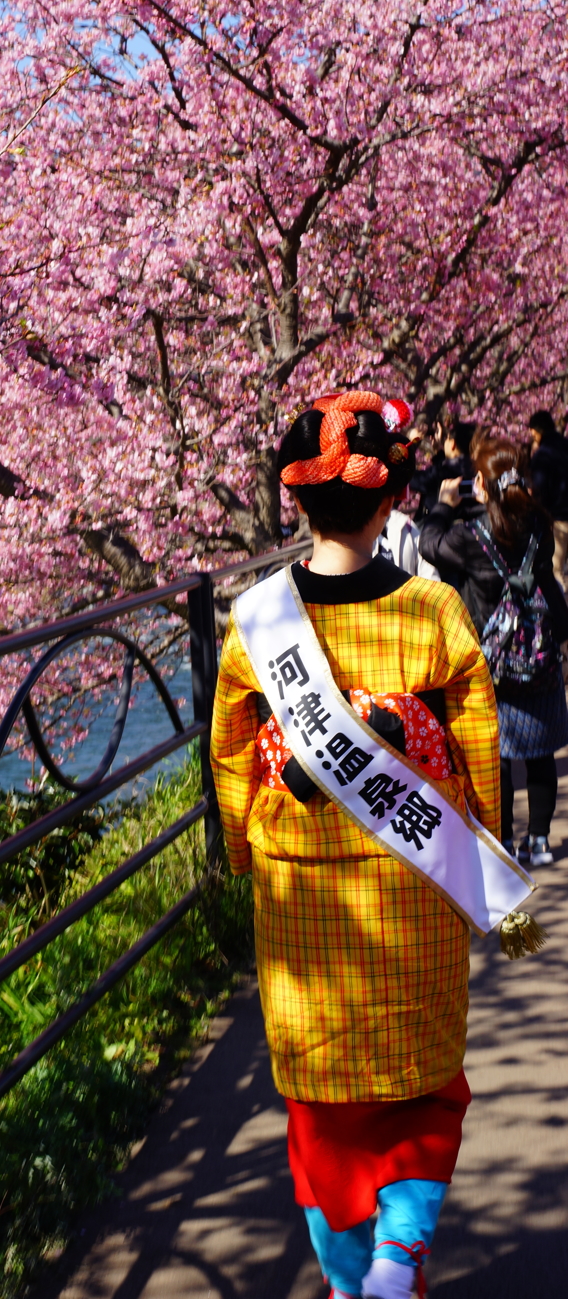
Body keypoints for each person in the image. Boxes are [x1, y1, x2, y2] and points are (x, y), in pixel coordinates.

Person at [211, 390, 501, 1299]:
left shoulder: (254, 623)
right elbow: (479, 739)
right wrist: (480, 841)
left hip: (305, 899)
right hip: (414, 879)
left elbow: (229, 756)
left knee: (323, 1102)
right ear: (392, 501)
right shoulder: (432, 610)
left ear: (297, 501)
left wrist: (245, 850)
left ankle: (348, 1281)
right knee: (423, 1084)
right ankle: (399, 1254)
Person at [420, 431, 568, 866]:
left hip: (494, 661)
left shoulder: (471, 536)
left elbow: (430, 544)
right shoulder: (538, 523)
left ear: (481, 485)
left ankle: (501, 845)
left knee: (498, 760)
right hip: (538, 657)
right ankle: (538, 842)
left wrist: (445, 504)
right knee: (540, 754)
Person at [527, 409, 568, 591]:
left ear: (536, 430)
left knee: (557, 572)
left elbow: (538, 489)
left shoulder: (543, 455)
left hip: (559, 519)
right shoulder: (565, 445)